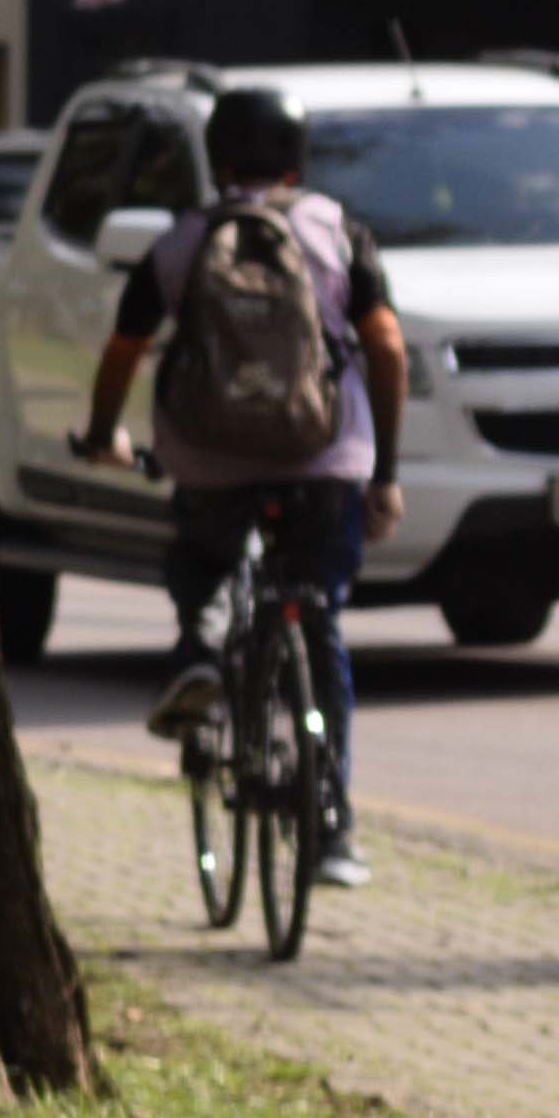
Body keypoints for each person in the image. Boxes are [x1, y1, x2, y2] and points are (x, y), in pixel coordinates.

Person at [88, 82, 414, 888]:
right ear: (298, 161)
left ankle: (199, 649)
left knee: (202, 557)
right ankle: (331, 824)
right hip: (322, 461)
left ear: (219, 157)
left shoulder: (183, 242)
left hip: (208, 461)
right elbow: (389, 352)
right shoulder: (336, 233)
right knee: (319, 621)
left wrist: (103, 438)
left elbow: (124, 350)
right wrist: (384, 475)